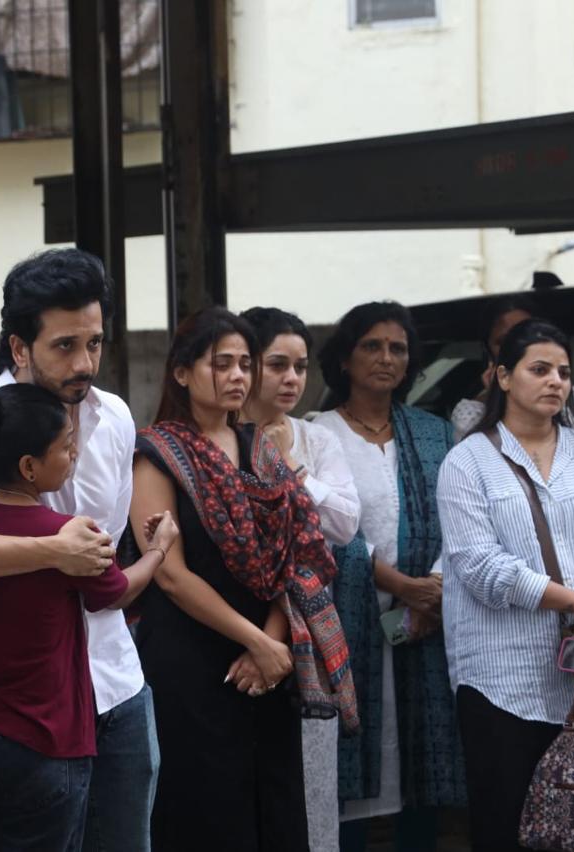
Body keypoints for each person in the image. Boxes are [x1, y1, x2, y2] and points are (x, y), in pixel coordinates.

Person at [0, 248, 158, 852]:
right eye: (64, 346)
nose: (85, 363)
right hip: (13, 713)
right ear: (19, 348)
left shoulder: (114, 417)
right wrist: (53, 551)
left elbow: (108, 546)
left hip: (115, 686)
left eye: (94, 343)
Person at [130, 306, 358, 852]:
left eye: (244, 364)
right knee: (206, 811)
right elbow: (171, 576)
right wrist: (255, 640)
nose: (238, 376)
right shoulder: (155, 454)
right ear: (182, 373)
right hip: (193, 659)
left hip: (265, 667)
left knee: (274, 807)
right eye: (222, 364)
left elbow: (299, 556)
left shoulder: (261, 450)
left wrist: (272, 643)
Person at [437, 318, 574, 850]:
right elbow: (480, 567)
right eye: (539, 369)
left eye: (564, 372)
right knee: (507, 825)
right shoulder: (467, 461)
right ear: (503, 377)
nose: (556, 380)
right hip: (499, 680)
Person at [313, 301, 465, 850]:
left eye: (397, 348)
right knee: (366, 775)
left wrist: (431, 595)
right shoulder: (318, 434)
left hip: (428, 620)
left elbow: (462, 516)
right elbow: (324, 534)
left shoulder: (433, 433)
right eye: (371, 346)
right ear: (346, 360)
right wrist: (400, 586)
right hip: (350, 623)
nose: (385, 357)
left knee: (421, 772)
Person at [239, 306, 361, 852]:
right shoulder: (219, 439)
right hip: (236, 616)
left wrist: (292, 472)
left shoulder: (315, 440)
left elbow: (344, 523)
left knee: (308, 768)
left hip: (305, 624)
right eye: (277, 365)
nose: (291, 379)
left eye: (301, 367)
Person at [450, 294, 574, 442]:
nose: (517, 346)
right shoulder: (470, 415)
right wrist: (497, 400)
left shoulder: (573, 399)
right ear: (488, 351)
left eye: (527, 336)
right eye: (504, 341)